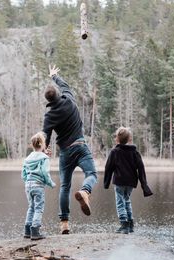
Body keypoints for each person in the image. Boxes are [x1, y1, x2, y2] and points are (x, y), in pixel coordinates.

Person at [42, 65, 97, 234]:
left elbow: (45, 134)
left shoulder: (50, 115)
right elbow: (64, 84)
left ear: (49, 102)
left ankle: (64, 224)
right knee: (91, 174)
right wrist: (54, 76)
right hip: (80, 146)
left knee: (65, 186)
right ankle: (85, 191)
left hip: (65, 152)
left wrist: (44, 149)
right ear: (59, 94)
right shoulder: (70, 99)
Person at [103, 127, 153, 234]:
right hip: (131, 182)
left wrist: (106, 182)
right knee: (127, 200)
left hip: (120, 181)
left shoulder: (115, 152)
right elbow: (141, 168)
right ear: (129, 139)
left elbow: (108, 168)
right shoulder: (134, 152)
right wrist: (144, 185)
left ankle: (124, 224)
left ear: (117, 139)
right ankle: (130, 224)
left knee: (120, 202)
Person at [22, 132, 56, 240]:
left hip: (28, 185)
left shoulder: (27, 158)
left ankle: (27, 231)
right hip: (38, 186)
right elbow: (45, 172)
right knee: (39, 208)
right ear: (42, 144)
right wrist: (51, 183)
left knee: (31, 207)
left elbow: (23, 174)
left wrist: (28, 181)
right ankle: (35, 232)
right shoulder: (44, 158)